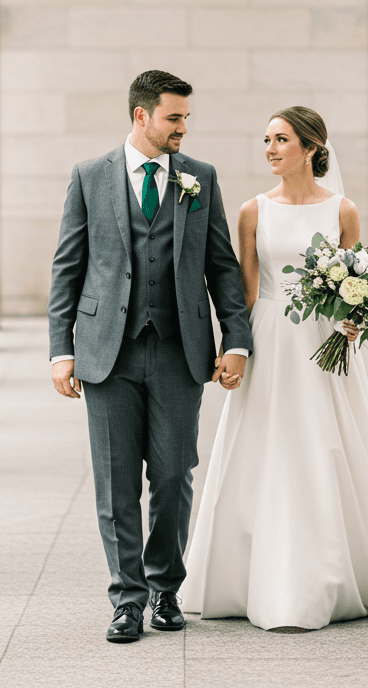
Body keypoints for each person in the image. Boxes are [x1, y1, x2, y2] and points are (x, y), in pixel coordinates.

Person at [181, 105, 368, 630]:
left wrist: (355, 319)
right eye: (266, 140)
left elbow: (356, 279)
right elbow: (245, 290)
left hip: (323, 343)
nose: (270, 149)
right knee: (265, 442)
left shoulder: (342, 211)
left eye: (281, 139)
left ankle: (328, 570)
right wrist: (233, 348)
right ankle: (250, 574)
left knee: (324, 443)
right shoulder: (252, 211)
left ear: (310, 148)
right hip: (270, 338)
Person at [47, 70, 253, 643]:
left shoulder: (199, 179)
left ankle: (166, 587)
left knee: (171, 476)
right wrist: (60, 350)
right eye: (174, 117)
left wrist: (235, 340)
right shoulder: (91, 176)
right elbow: (68, 266)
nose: (183, 128)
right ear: (142, 116)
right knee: (115, 485)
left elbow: (222, 267)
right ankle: (127, 601)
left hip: (178, 351)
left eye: (185, 118)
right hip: (105, 353)